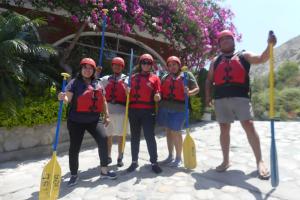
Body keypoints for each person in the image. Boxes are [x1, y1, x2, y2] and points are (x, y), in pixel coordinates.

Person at [205, 30, 277, 179]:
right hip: (220, 98)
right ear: (219, 44)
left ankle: (260, 161)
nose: (225, 40)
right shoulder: (215, 61)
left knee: (248, 125)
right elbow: (209, 80)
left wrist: (270, 45)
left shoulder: (244, 55)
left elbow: (261, 58)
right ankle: (225, 161)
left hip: (241, 97)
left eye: (228, 38)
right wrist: (207, 96)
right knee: (224, 128)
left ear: (233, 41)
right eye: (222, 39)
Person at [58, 57, 117, 187]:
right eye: (85, 67)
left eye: (91, 68)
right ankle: (74, 175)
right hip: (76, 120)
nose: (88, 70)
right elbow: (68, 97)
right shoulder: (74, 82)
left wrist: (106, 115)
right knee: (74, 147)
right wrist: (63, 98)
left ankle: (104, 171)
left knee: (104, 139)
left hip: (94, 119)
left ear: (94, 70)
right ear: (81, 69)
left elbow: (103, 100)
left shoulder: (98, 83)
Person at [157, 56, 199, 167]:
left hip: (180, 109)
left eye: (174, 64)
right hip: (165, 107)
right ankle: (170, 156)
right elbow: (160, 90)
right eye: (169, 65)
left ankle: (178, 158)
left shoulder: (187, 75)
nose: (172, 67)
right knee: (168, 132)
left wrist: (189, 92)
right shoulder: (165, 77)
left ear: (179, 65)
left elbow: (197, 89)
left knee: (176, 132)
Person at [126, 53, 162, 174]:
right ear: (140, 64)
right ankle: (134, 161)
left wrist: (157, 96)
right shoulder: (132, 77)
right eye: (144, 62)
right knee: (134, 137)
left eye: (148, 63)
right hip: (133, 111)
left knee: (149, 137)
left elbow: (158, 92)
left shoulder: (155, 78)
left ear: (151, 65)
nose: (146, 65)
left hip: (148, 111)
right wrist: (127, 90)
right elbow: (126, 90)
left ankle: (154, 162)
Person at [100, 57, 128, 167]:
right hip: (109, 111)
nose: (117, 67)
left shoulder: (126, 79)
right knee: (108, 135)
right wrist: (97, 74)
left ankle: (120, 157)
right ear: (112, 66)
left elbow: (131, 90)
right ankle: (108, 156)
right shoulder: (106, 79)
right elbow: (94, 83)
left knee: (121, 136)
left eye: (119, 65)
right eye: (115, 65)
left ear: (122, 67)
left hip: (122, 111)